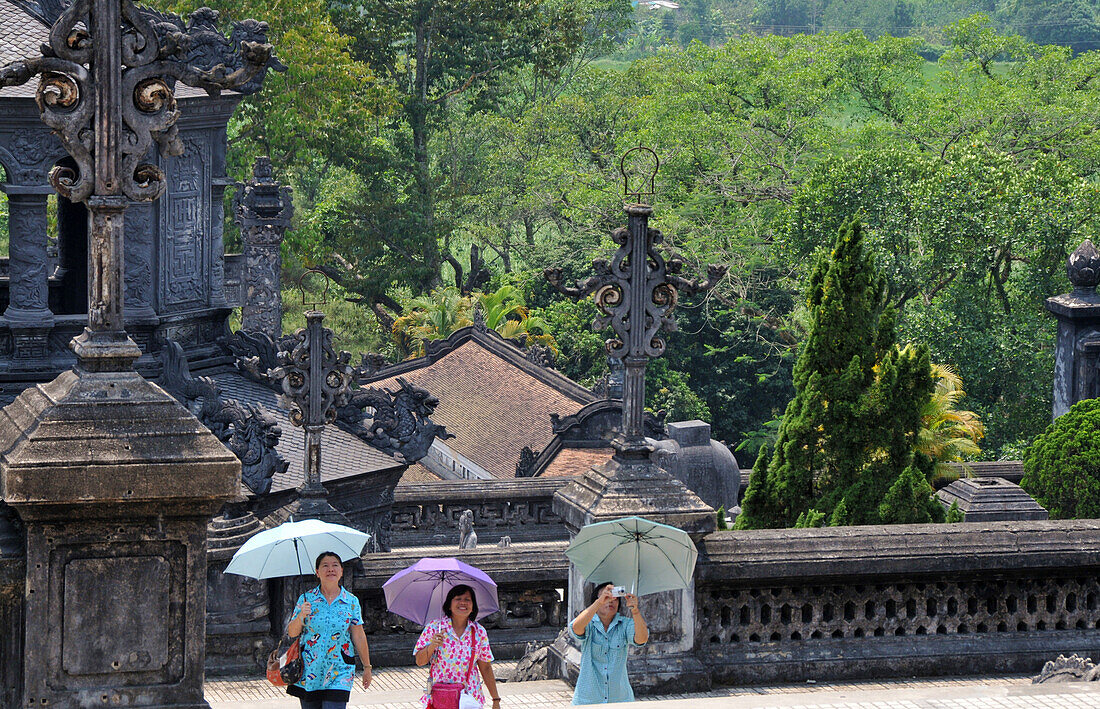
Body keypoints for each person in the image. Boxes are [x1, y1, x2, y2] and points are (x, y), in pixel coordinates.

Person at [286, 552, 373, 709]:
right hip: (310, 670)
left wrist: (367, 667)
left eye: (335, 565)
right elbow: (292, 633)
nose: (330, 569)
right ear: (317, 572)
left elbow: (358, 635)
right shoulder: (306, 599)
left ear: (341, 571)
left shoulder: (351, 601)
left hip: (340, 669)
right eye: (325, 565)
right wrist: (301, 616)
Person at [414, 584, 500, 709]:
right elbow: (419, 661)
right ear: (449, 605)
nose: (462, 603)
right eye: (458, 599)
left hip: (470, 698)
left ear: (473, 607)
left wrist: (495, 699)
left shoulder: (479, 632)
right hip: (440, 697)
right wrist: (432, 645)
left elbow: (485, 667)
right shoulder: (434, 628)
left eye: (467, 600)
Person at [569, 582, 649, 705]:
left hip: (620, 700)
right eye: (606, 597)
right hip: (588, 700)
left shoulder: (625, 624)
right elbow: (576, 628)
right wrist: (598, 602)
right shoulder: (589, 624)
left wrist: (636, 611)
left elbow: (642, 639)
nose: (611, 601)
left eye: (615, 598)